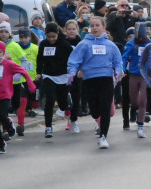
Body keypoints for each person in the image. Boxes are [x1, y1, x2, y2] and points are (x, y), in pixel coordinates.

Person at [66, 15, 123, 149]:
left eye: (97, 25)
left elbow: (118, 61)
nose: (95, 28)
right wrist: (72, 72)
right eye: (92, 26)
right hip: (90, 80)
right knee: (94, 110)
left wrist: (118, 72)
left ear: (104, 27)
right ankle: (96, 116)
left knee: (105, 108)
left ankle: (103, 136)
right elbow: (74, 60)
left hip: (106, 79)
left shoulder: (110, 45)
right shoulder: (84, 44)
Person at [37, 22, 74, 139]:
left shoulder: (64, 44)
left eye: (53, 37)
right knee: (50, 100)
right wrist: (39, 72)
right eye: (49, 37)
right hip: (48, 76)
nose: (51, 39)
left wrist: (72, 70)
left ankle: (67, 99)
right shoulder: (43, 44)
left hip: (62, 75)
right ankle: (48, 127)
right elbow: (39, 59)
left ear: (58, 34)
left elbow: (73, 57)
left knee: (63, 105)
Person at [6, 28, 38, 136]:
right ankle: (16, 125)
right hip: (16, 80)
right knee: (19, 103)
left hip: (31, 78)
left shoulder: (35, 48)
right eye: (21, 38)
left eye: (26, 37)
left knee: (31, 102)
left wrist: (39, 73)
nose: (24, 40)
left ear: (30, 37)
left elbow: (39, 61)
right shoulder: (15, 46)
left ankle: (23, 120)